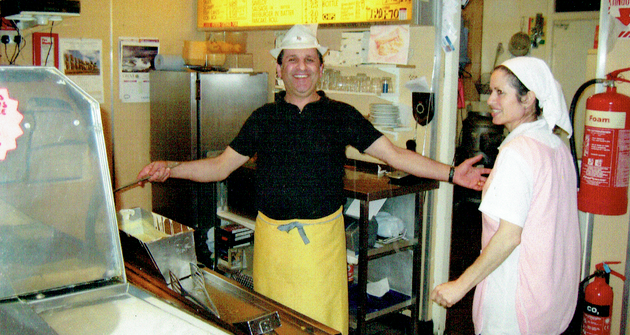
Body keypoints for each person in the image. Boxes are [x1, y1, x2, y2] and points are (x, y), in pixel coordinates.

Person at [137, 24, 490, 335]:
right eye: (292, 60)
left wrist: (451, 173)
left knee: (323, 326)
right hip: (273, 247)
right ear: (279, 68)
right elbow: (219, 167)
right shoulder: (264, 118)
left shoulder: (341, 116)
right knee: (274, 325)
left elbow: (395, 155)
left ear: (321, 68)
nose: (301, 68)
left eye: (309, 60)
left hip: (322, 246)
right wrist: (171, 167)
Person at [431, 57, 581, 334]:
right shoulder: (556, 146)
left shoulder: (517, 153)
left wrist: (459, 286)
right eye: (491, 91)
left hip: (516, 300)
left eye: (501, 92)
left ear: (528, 99)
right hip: (551, 297)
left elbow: (509, 235)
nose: (490, 100)